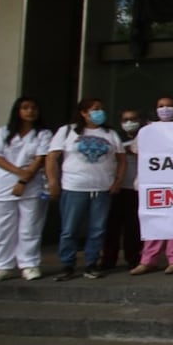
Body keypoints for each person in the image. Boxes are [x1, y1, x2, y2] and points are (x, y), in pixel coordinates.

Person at [46, 98, 126, 281]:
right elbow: (52, 157)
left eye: (101, 109)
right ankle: (67, 264)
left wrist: (117, 181)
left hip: (101, 188)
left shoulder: (110, 133)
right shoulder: (67, 131)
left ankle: (91, 263)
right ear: (83, 112)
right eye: (95, 109)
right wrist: (53, 182)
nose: (100, 112)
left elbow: (121, 160)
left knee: (97, 229)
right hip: (74, 187)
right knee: (69, 229)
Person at [0, 96, 52, 282]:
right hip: (2, 184)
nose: (30, 111)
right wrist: (18, 172)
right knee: (1, 228)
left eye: (34, 108)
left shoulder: (43, 134)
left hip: (31, 186)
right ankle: (2, 266)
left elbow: (40, 158)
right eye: (25, 108)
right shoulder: (4, 132)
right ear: (18, 111)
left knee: (30, 227)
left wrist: (24, 179)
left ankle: (29, 264)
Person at [131, 96, 173, 275]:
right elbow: (137, 151)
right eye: (161, 106)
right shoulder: (148, 131)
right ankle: (148, 260)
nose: (165, 109)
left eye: (169, 106)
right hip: (154, 183)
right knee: (154, 220)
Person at [101, 108, 143, 270]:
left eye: (133, 119)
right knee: (112, 226)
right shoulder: (114, 137)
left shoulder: (146, 136)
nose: (130, 122)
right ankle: (108, 259)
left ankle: (133, 258)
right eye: (126, 120)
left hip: (136, 187)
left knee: (134, 226)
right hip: (117, 186)